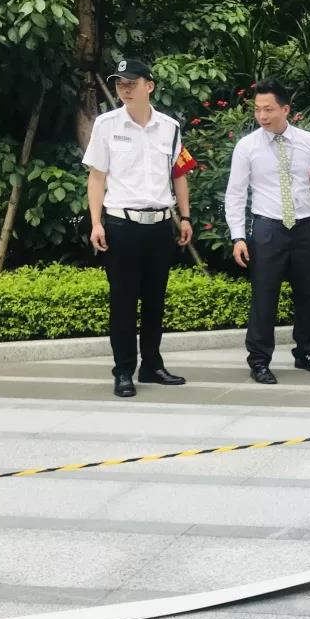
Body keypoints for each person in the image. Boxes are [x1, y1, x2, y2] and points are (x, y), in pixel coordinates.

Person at [83, 58, 195, 398]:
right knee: (123, 301)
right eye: (120, 83)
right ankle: (123, 370)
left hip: (161, 226)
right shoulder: (106, 124)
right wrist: (96, 223)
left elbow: (179, 175)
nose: (124, 89)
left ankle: (152, 365)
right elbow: (97, 176)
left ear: (150, 85)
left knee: (155, 300)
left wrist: (185, 217)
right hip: (122, 224)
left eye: (132, 83)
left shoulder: (170, 127)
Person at [225, 78, 310, 385]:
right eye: (258, 109)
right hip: (268, 228)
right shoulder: (246, 147)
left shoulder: (309, 142)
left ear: (285, 109)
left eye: (269, 109)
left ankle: (305, 353)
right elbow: (235, 194)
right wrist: (238, 236)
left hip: (303, 227)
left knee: (306, 293)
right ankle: (259, 360)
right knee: (264, 296)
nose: (262, 116)